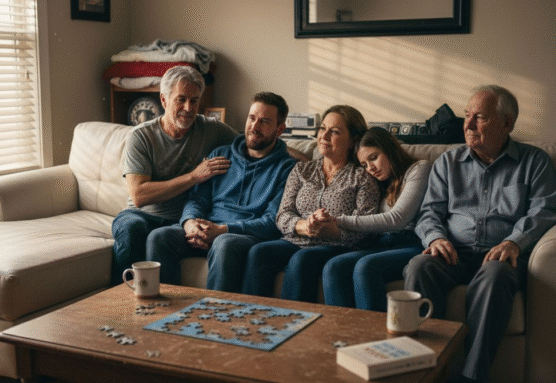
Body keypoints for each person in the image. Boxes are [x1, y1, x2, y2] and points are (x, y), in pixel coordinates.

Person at [403, 85, 556, 383]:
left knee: (494, 277)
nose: (469, 123)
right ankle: (425, 382)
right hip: (454, 253)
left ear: (506, 123)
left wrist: (514, 241)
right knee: (418, 266)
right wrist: (436, 238)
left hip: (499, 256)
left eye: (480, 116)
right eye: (467, 115)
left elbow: (548, 210)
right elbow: (429, 213)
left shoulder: (534, 162)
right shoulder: (448, 162)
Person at [146, 92, 297, 292]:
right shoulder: (220, 155)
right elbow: (197, 199)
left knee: (224, 244)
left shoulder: (287, 170)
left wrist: (222, 230)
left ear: (280, 129)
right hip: (206, 229)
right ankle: (165, 314)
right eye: (251, 118)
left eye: (264, 121)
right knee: (159, 237)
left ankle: (215, 316)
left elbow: (273, 221)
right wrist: (191, 223)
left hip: (243, 236)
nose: (254, 126)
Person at [111, 66, 238, 283]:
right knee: (131, 229)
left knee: (162, 239)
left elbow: (250, 144)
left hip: (181, 221)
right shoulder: (141, 137)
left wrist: (306, 155)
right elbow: (139, 195)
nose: (188, 108)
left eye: (194, 100)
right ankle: (122, 301)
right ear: (163, 99)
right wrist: (194, 177)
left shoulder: (211, 129)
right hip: (141, 215)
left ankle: (171, 310)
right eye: (181, 99)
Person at [241, 105, 380, 302]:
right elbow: (283, 214)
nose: (325, 135)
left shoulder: (362, 178)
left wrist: (330, 230)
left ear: (352, 142)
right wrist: (305, 226)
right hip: (296, 239)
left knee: (302, 260)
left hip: (337, 245)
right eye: (323, 128)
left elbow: (367, 227)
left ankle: (293, 323)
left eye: (335, 132)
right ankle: (250, 319)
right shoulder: (301, 171)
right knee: (259, 252)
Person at [321, 127, 431, 311]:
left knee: (365, 267)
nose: (370, 168)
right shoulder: (376, 182)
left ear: (389, 150)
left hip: (410, 244)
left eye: (373, 158)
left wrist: (338, 220)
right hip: (380, 244)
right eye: (364, 164)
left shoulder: (419, 169)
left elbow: (397, 219)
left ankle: (374, 336)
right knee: (334, 267)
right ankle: (342, 334)